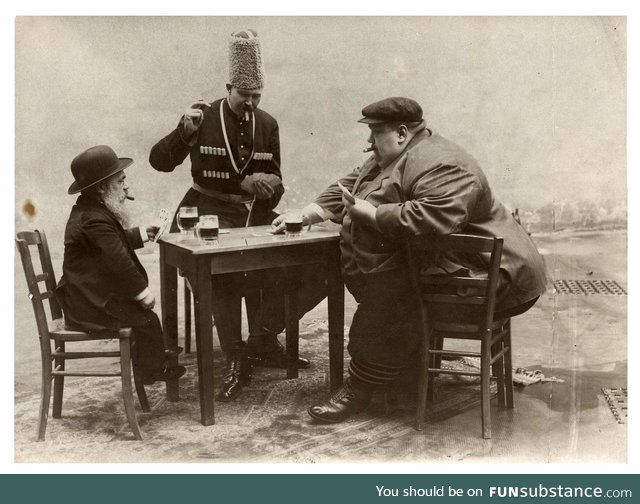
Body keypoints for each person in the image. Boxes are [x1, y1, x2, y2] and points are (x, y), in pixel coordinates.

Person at [272, 97, 548, 423]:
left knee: (391, 292)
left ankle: (362, 386)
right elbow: (352, 184)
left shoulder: (443, 164)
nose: (369, 142)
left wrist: (373, 214)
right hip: (462, 262)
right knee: (394, 283)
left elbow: (434, 219)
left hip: (495, 275)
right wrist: (307, 214)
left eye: (375, 133)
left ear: (401, 132)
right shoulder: (397, 155)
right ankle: (401, 377)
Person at [149, 29, 323, 401]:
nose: (250, 103)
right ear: (229, 87)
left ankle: (262, 340)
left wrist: (268, 186)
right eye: (244, 95)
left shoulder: (269, 124)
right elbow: (159, 162)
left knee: (284, 266)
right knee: (219, 274)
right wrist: (183, 134)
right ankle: (235, 355)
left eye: (257, 96)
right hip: (206, 212)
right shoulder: (202, 117)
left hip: (253, 216)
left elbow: (277, 179)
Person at [56, 145, 186, 385]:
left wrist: (143, 233)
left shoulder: (91, 212)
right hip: (88, 304)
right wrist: (142, 293)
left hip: (87, 296)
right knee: (146, 317)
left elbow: (111, 242)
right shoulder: (94, 219)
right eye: (120, 181)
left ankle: (151, 360)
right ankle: (153, 369)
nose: (126, 186)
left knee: (143, 317)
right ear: (102, 187)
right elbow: (117, 259)